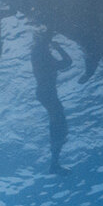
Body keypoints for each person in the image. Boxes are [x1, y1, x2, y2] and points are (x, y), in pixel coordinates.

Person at [26, 23, 70, 173]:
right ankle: (54, 163)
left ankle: (55, 161)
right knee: (59, 122)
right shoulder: (39, 52)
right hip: (46, 92)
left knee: (59, 121)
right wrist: (57, 46)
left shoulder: (41, 53)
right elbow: (67, 62)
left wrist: (55, 46)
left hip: (46, 92)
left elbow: (65, 63)